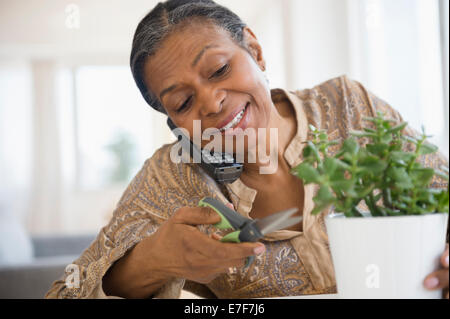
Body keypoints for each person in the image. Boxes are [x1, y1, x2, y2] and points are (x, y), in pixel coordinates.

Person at [46, 0, 449, 299]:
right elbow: (63, 293)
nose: (211, 102)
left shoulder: (349, 103)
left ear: (254, 51)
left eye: (219, 70)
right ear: (174, 123)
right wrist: (151, 261)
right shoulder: (170, 177)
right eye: (183, 103)